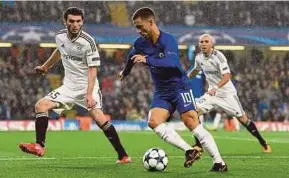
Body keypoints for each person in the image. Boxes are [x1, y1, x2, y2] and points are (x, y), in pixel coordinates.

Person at [119, 7, 228, 172]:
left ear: (151, 22)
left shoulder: (168, 40)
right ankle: (189, 150)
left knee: (191, 122)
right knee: (153, 121)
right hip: (162, 91)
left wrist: (147, 59)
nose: (138, 31)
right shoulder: (140, 43)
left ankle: (219, 162)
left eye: (140, 26)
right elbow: (132, 57)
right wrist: (125, 72)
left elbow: (171, 63)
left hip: (179, 86)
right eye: (136, 27)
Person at [19, 7, 131, 164]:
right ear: (65, 21)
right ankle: (39, 145)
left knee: (99, 119)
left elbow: (93, 70)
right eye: (71, 21)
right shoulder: (59, 36)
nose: (75, 24)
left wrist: (89, 93)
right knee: (41, 106)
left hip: (87, 86)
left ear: (82, 22)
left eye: (78, 21)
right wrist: (45, 67)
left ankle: (123, 155)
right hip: (68, 87)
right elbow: (60, 51)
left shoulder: (88, 42)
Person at [188, 34, 271, 153]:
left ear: (211, 44)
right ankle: (198, 145)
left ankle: (263, 143)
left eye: (206, 41)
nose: (203, 44)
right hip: (212, 94)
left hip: (227, 94)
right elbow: (196, 70)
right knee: (194, 113)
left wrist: (216, 87)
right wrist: (185, 79)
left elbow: (227, 76)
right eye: (201, 42)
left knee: (243, 119)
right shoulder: (199, 58)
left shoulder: (219, 57)